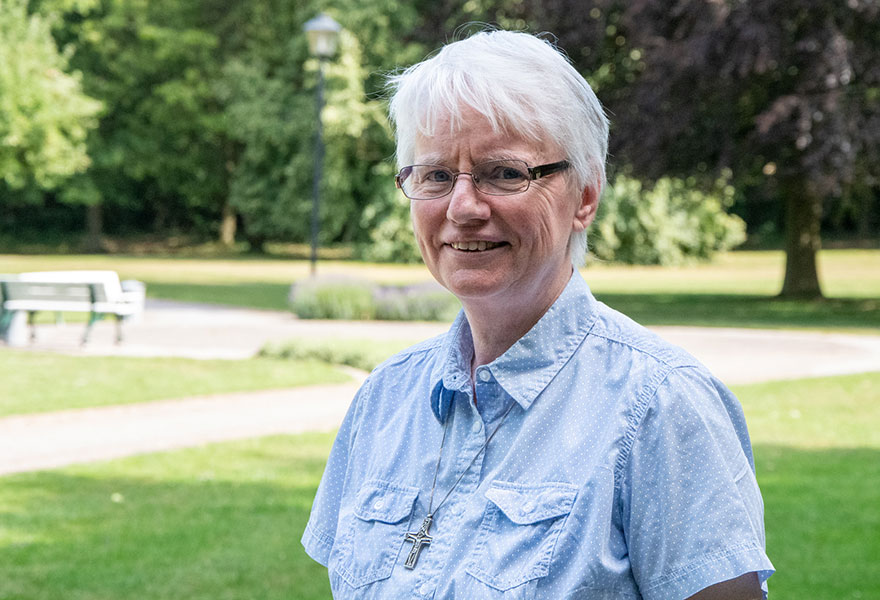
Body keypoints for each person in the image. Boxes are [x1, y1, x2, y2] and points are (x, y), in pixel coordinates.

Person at [302, 29, 774, 599]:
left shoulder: (661, 408)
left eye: (505, 173)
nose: (463, 207)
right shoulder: (384, 401)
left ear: (585, 197)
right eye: (435, 175)